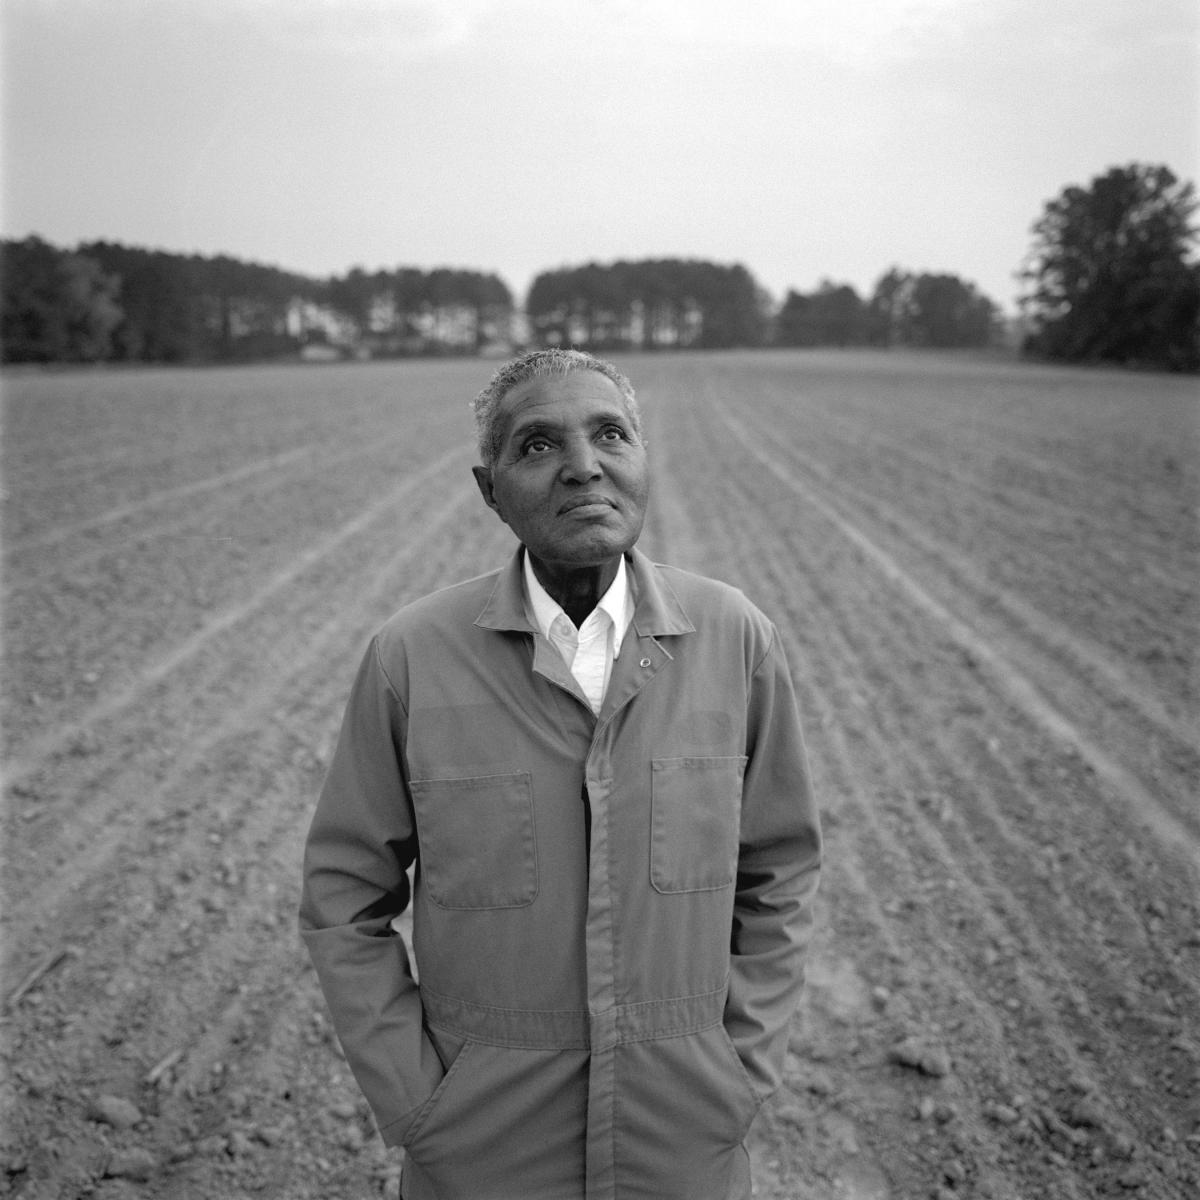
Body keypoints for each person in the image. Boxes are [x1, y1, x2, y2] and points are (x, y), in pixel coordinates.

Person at [299, 348, 822, 1200]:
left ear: (642, 462)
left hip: (685, 1141)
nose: (584, 466)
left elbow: (780, 870)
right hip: (482, 1151)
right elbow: (343, 900)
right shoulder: (412, 659)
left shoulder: (734, 640)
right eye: (538, 445)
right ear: (490, 489)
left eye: (610, 434)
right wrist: (420, 1103)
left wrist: (740, 1071)